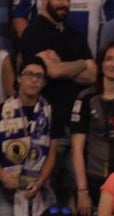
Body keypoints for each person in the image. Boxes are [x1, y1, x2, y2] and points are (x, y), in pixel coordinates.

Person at [70, 42, 114, 216]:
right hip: (94, 180)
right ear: (100, 65)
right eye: (108, 59)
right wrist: (82, 190)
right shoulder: (85, 99)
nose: (113, 64)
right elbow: (77, 147)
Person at [0, 57, 62, 216]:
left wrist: (40, 182)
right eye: (29, 74)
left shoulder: (51, 112)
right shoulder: (2, 110)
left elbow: (52, 153)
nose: (33, 80)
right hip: (4, 189)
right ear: (19, 78)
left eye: (39, 76)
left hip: (38, 188)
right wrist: (3, 176)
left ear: (44, 83)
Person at [19, 0, 96, 142]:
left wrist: (62, 67)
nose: (64, 4)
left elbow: (92, 75)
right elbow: (54, 71)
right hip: (46, 127)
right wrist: (82, 63)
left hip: (76, 126)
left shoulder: (75, 35)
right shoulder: (33, 33)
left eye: (67, 0)